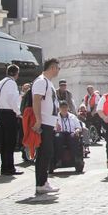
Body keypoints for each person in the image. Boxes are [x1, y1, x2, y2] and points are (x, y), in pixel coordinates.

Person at [32, 58, 61, 195]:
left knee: (47, 152)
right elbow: (36, 100)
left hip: (49, 122)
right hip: (43, 122)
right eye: (58, 68)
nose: (59, 71)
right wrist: (38, 119)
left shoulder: (48, 82)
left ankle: (43, 182)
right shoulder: (41, 81)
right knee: (44, 153)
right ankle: (41, 183)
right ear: (53, 68)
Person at [0, 64, 23, 175]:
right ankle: (10, 167)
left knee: (4, 142)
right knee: (10, 142)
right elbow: (12, 100)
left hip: (1, 113)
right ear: (16, 73)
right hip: (8, 114)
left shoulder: (1, 82)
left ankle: (5, 167)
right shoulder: (11, 83)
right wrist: (18, 112)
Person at [51, 101, 84, 172]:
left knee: (73, 137)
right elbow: (52, 128)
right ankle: (58, 159)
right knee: (58, 137)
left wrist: (77, 131)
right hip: (60, 133)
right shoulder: (55, 117)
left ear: (68, 108)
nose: (64, 109)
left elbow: (78, 127)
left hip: (70, 133)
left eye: (65, 108)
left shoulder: (73, 117)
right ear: (59, 108)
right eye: (62, 108)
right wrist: (55, 128)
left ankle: (75, 158)